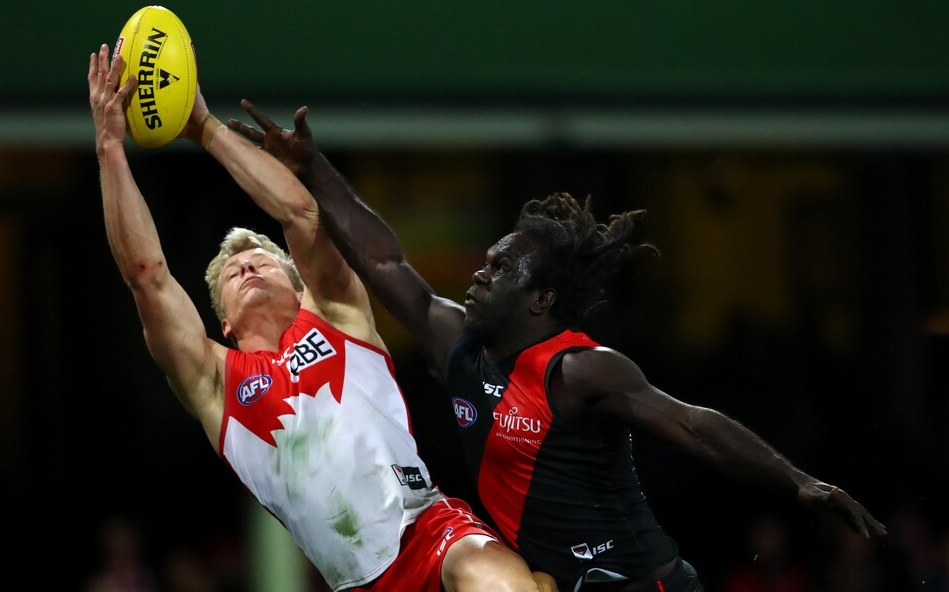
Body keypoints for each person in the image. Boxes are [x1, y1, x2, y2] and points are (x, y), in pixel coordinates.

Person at [226, 101, 890, 592]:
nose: (479, 275)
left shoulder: (579, 371)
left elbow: (694, 426)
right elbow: (382, 260)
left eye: (500, 270)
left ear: (540, 299)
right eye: (485, 262)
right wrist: (313, 167)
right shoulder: (455, 341)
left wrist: (798, 482)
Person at [88, 43, 557, 592]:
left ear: (299, 286)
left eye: (262, 261)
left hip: (431, 531)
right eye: (234, 273)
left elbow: (301, 213)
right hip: (357, 583)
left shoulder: (336, 314)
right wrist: (109, 147)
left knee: (492, 579)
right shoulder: (214, 382)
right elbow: (147, 275)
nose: (248, 268)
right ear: (225, 325)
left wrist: (205, 128)